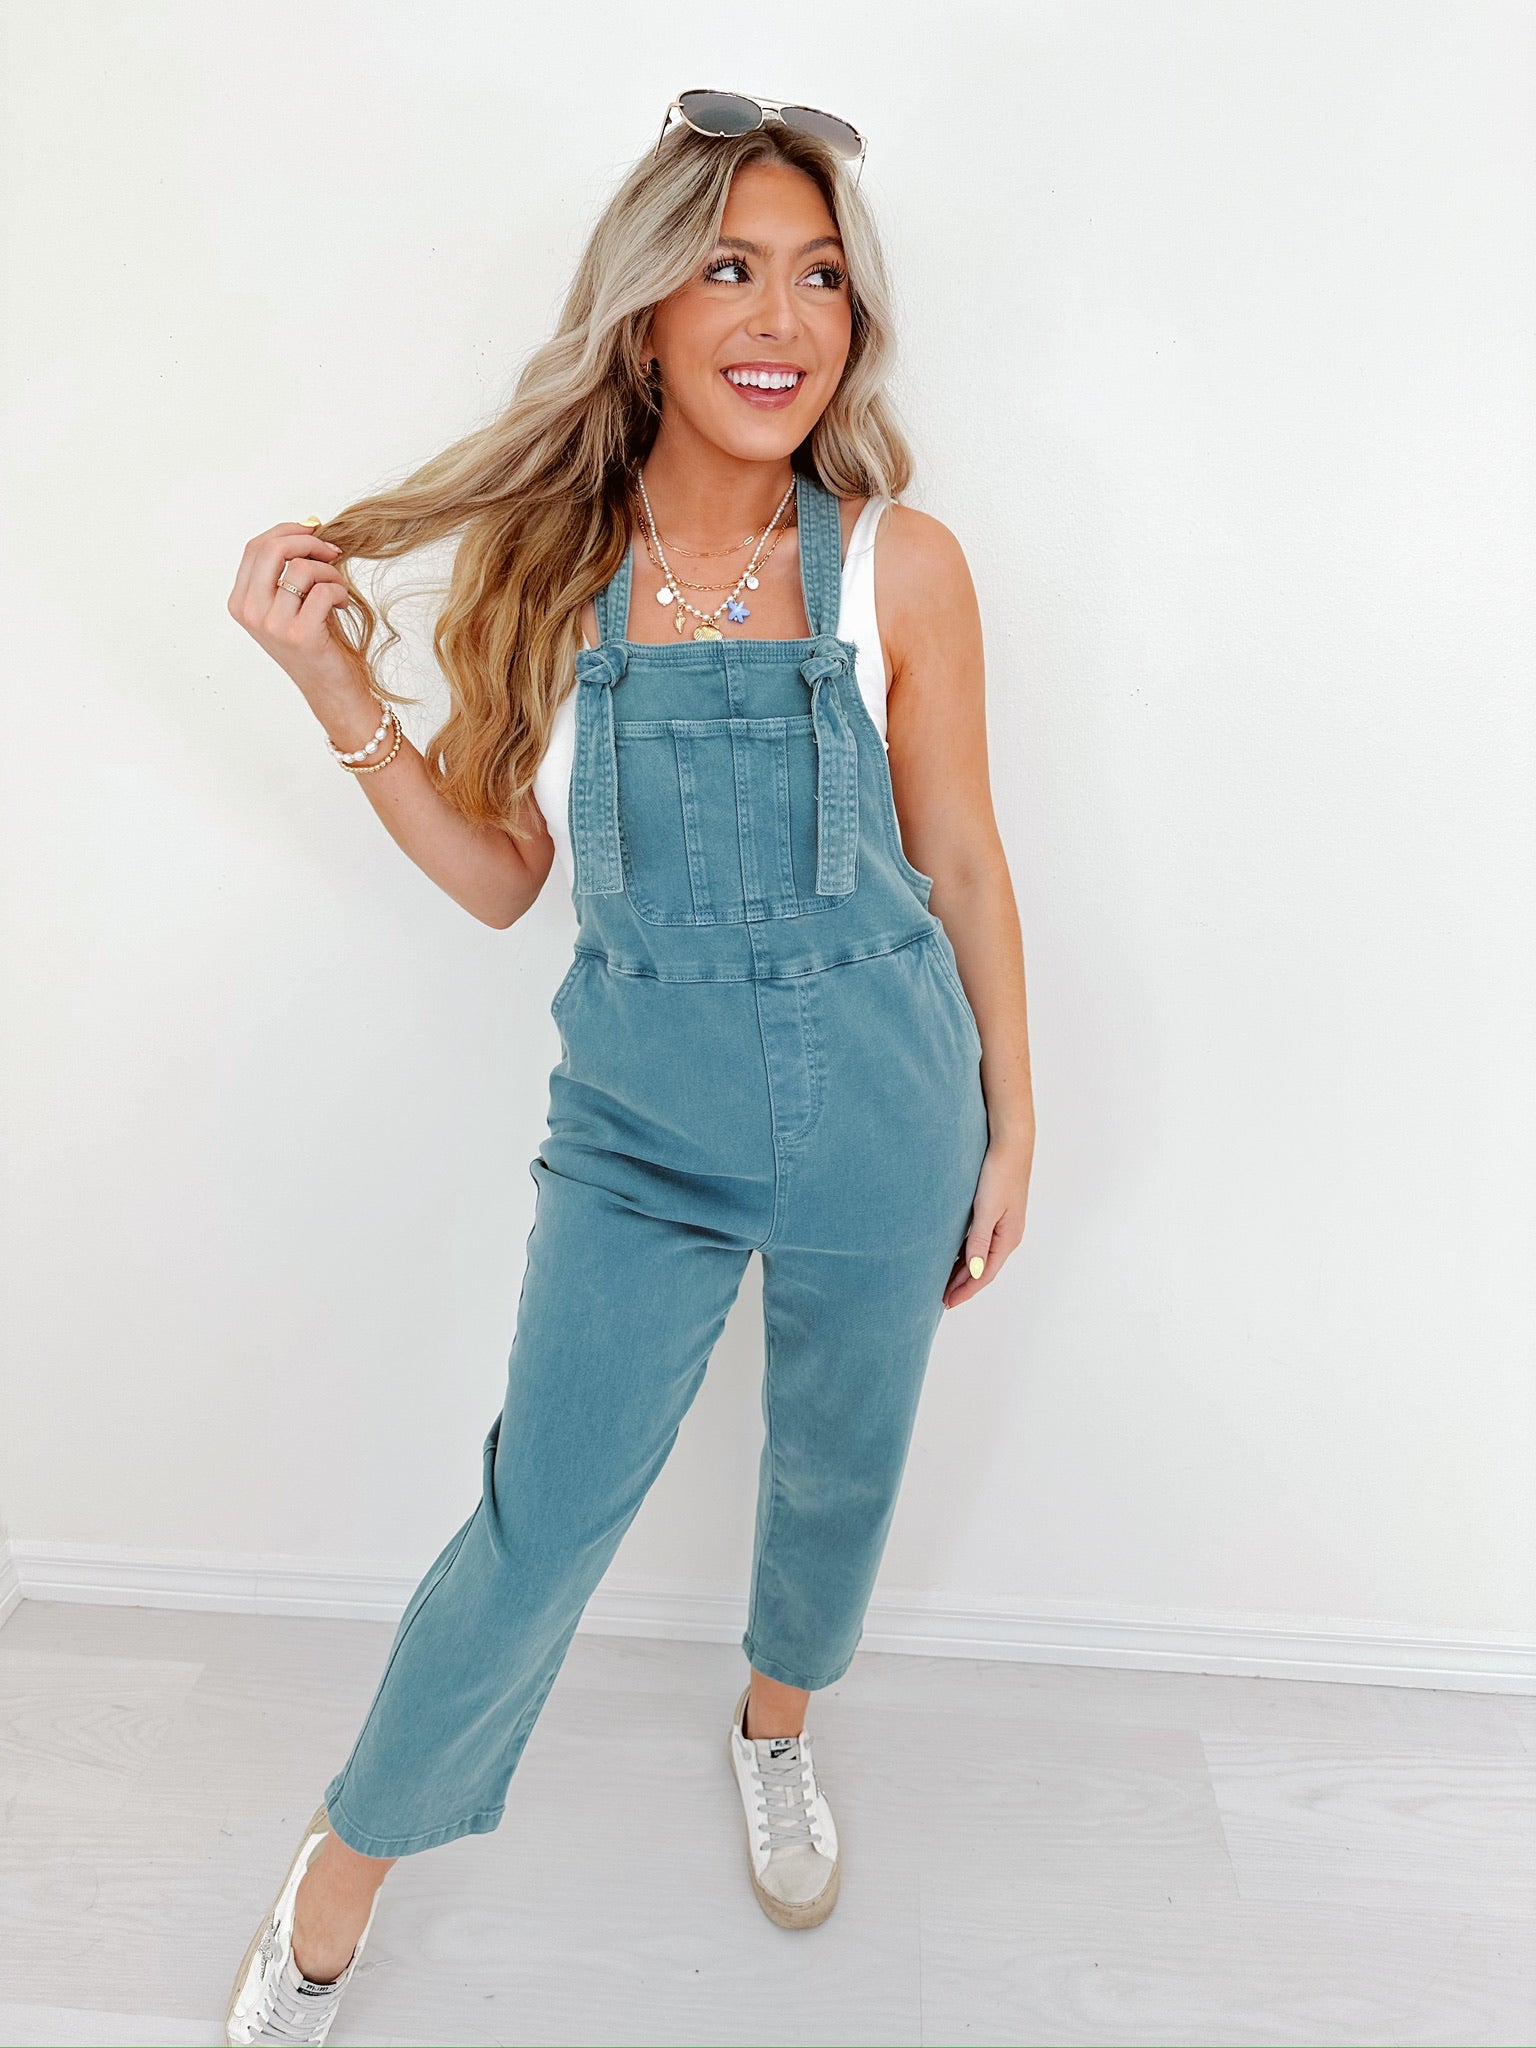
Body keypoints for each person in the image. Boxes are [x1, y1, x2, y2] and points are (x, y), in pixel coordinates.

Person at [222, 89, 1034, 2046]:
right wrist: (340, 695)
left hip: (887, 1107)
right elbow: (509, 877)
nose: (782, 317)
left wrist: (1016, 1120)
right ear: (647, 312)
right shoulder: (546, 569)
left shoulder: (900, 565)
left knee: (839, 1473)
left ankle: (775, 1728)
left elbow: (964, 853)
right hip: (638, 1136)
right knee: (539, 1527)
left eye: (820, 276)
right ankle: (337, 1878)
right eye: (731, 267)